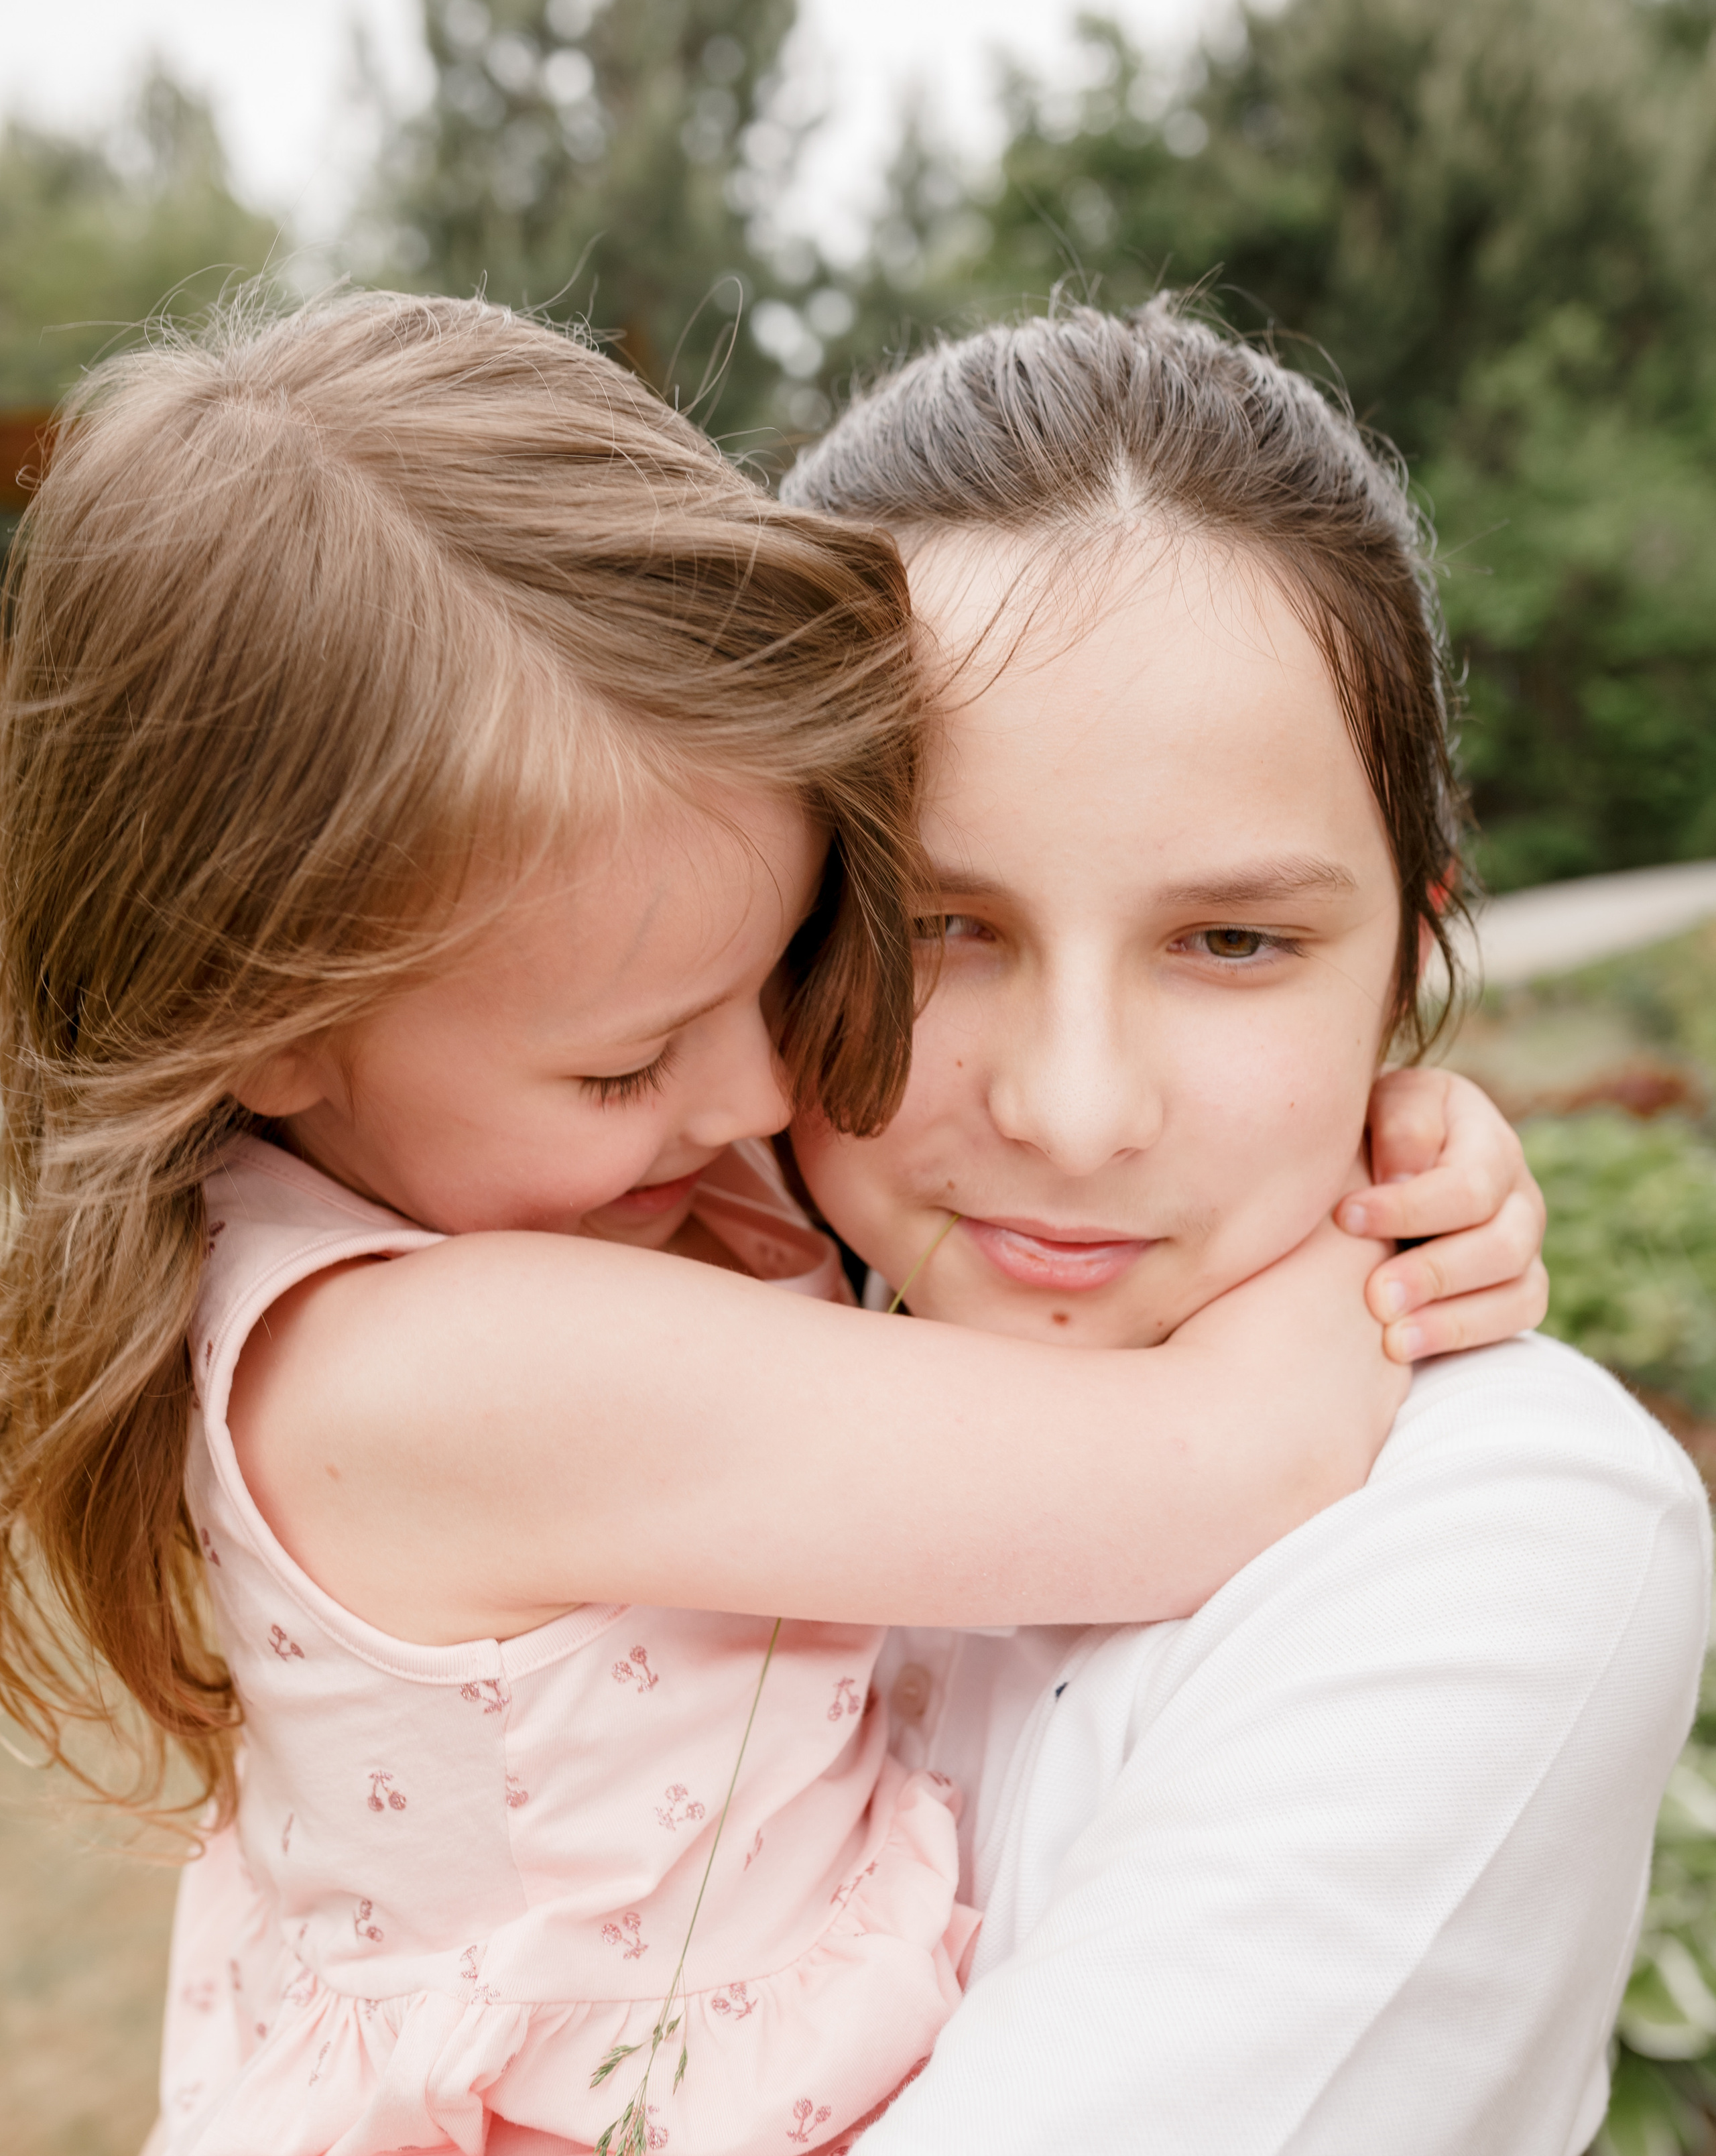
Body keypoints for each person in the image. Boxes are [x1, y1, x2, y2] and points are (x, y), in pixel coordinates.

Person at [0, 290, 1540, 2156]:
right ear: (274, 1029)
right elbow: (1220, 1458)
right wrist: (1383, 1194)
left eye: (789, 964)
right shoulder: (443, 1368)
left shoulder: (462, 1165)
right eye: (633, 1060)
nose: (749, 1102)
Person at [777, 300, 1713, 2155]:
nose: (1074, 1105)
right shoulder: (651, 1349)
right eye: (938, 925)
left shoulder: (1509, 1530)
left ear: (1402, 968)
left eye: (1233, 945)